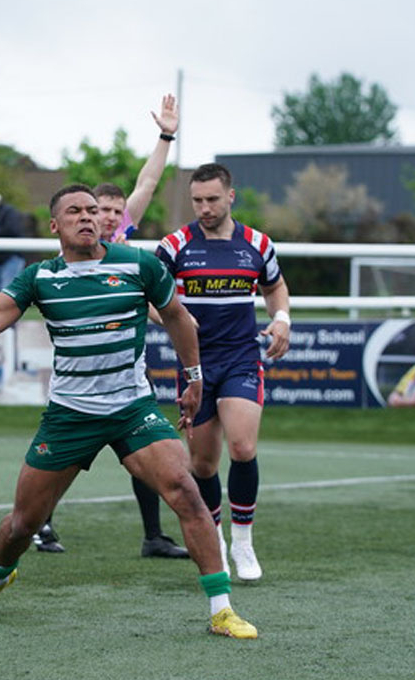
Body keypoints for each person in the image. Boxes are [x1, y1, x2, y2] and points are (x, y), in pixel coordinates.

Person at [0, 184, 257, 639]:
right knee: (23, 523)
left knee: (186, 492)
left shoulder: (139, 264)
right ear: (55, 226)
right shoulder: (38, 278)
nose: (88, 217)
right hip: (69, 414)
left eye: (93, 210)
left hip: (132, 407)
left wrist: (194, 377)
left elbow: (177, 317)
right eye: (75, 211)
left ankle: (221, 609)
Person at [35, 94, 187, 559]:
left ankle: (153, 535)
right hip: (82, 375)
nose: (111, 217)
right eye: (103, 210)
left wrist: (165, 135)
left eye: (118, 212)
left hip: (124, 372)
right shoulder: (76, 246)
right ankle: (39, 523)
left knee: (147, 456)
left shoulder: (123, 245)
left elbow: (149, 179)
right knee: (61, 458)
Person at [155, 163, 291, 583]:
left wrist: (282, 318)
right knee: (204, 464)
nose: (205, 208)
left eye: (212, 199)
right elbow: (150, 297)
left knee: (243, 447)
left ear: (230, 197)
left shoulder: (257, 244)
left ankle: (244, 542)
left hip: (240, 358)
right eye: (197, 200)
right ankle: (213, 537)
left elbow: (274, 287)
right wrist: (172, 318)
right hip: (194, 365)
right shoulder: (175, 245)